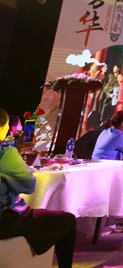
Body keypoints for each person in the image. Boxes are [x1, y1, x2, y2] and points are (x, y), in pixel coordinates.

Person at [0, 108, 77, 268]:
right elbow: (29, 186)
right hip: (6, 220)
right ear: (4, 127)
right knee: (68, 220)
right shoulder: (5, 154)